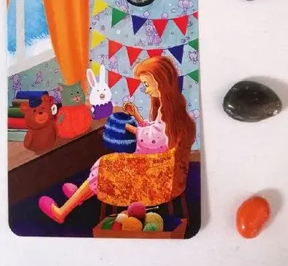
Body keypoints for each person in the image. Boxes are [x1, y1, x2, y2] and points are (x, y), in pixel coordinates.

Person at [39, 56, 195, 223]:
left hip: (154, 176)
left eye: (147, 85)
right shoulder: (173, 108)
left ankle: (62, 212)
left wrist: (134, 129)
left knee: (103, 165)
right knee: (104, 165)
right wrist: (137, 117)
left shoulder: (168, 112)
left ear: (161, 82)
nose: (146, 90)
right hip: (161, 168)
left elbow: (154, 138)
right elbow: (158, 131)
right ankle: (81, 195)